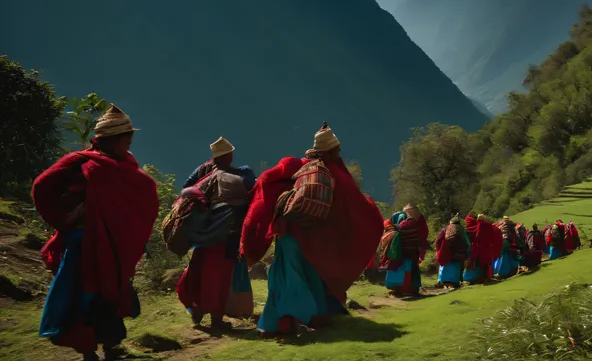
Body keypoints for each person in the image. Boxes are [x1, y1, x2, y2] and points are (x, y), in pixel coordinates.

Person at [33, 105, 159, 361]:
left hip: (112, 244)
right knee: (84, 294)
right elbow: (42, 186)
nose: (129, 145)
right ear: (113, 140)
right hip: (84, 244)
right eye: (127, 140)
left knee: (110, 293)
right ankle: (88, 351)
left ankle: (111, 347)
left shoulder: (122, 165)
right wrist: (62, 221)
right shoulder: (83, 164)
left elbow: (141, 197)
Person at [240, 122, 383, 337]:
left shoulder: (298, 167)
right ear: (334, 150)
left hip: (287, 230)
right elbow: (357, 209)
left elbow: (267, 180)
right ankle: (294, 320)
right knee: (310, 275)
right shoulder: (336, 173)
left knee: (286, 276)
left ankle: (283, 320)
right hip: (315, 237)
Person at [176, 138, 255, 329]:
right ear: (229, 155)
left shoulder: (202, 172)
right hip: (227, 233)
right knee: (219, 275)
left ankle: (196, 307)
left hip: (203, 231)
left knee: (199, 269)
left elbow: (186, 188)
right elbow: (252, 192)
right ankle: (216, 319)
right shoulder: (241, 175)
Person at [379, 204, 426, 297]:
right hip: (412, 253)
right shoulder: (417, 224)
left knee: (401, 272)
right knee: (411, 271)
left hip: (402, 253)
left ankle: (399, 290)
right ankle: (412, 289)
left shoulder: (400, 226)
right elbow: (421, 238)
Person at [463, 213, 502, 284]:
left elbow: (478, 235)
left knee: (479, 262)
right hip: (488, 246)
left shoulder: (480, 225)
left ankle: (480, 277)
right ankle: (488, 276)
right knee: (487, 262)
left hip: (480, 246)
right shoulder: (488, 224)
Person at [435, 215, 470, 289]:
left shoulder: (446, 229)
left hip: (448, 251)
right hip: (460, 252)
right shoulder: (462, 230)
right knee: (456, 267)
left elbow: (438, 241)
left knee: (445, 266)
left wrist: (439, 250)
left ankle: (443, 282)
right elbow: (467, 242)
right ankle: (455, 282)